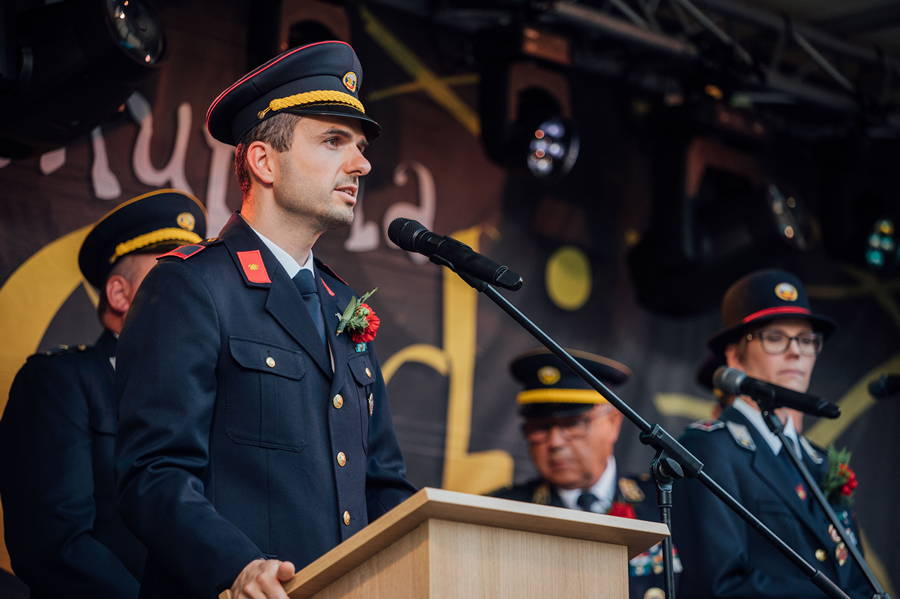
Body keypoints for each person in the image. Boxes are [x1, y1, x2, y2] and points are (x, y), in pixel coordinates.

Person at [114, 41, 416, 599]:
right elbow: (153, 473)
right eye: (333, 141)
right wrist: (236, 566)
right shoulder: (192, 284)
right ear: (263, 161)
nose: (362, 164)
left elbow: (382, 482)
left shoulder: (345, 305)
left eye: (360, 146)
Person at [0, 188, 207, 599]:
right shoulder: (58, 381)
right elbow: (55, 545)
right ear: (119, 295)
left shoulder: (206, 391)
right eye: (171, 277)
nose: (193, 291)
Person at [672, 268, 871, 598]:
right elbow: (720, 585)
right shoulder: (709, 448)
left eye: (806, 340)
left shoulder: (820, 460)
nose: (796, 352)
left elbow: (858, 579)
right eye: (775, 337)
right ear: (734, 357)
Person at [490, 348, 680, 599]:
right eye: (540, 428)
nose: (555, 442)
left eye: (573, 423)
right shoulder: (504, 513)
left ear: (613, 423)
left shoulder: (665, 503)